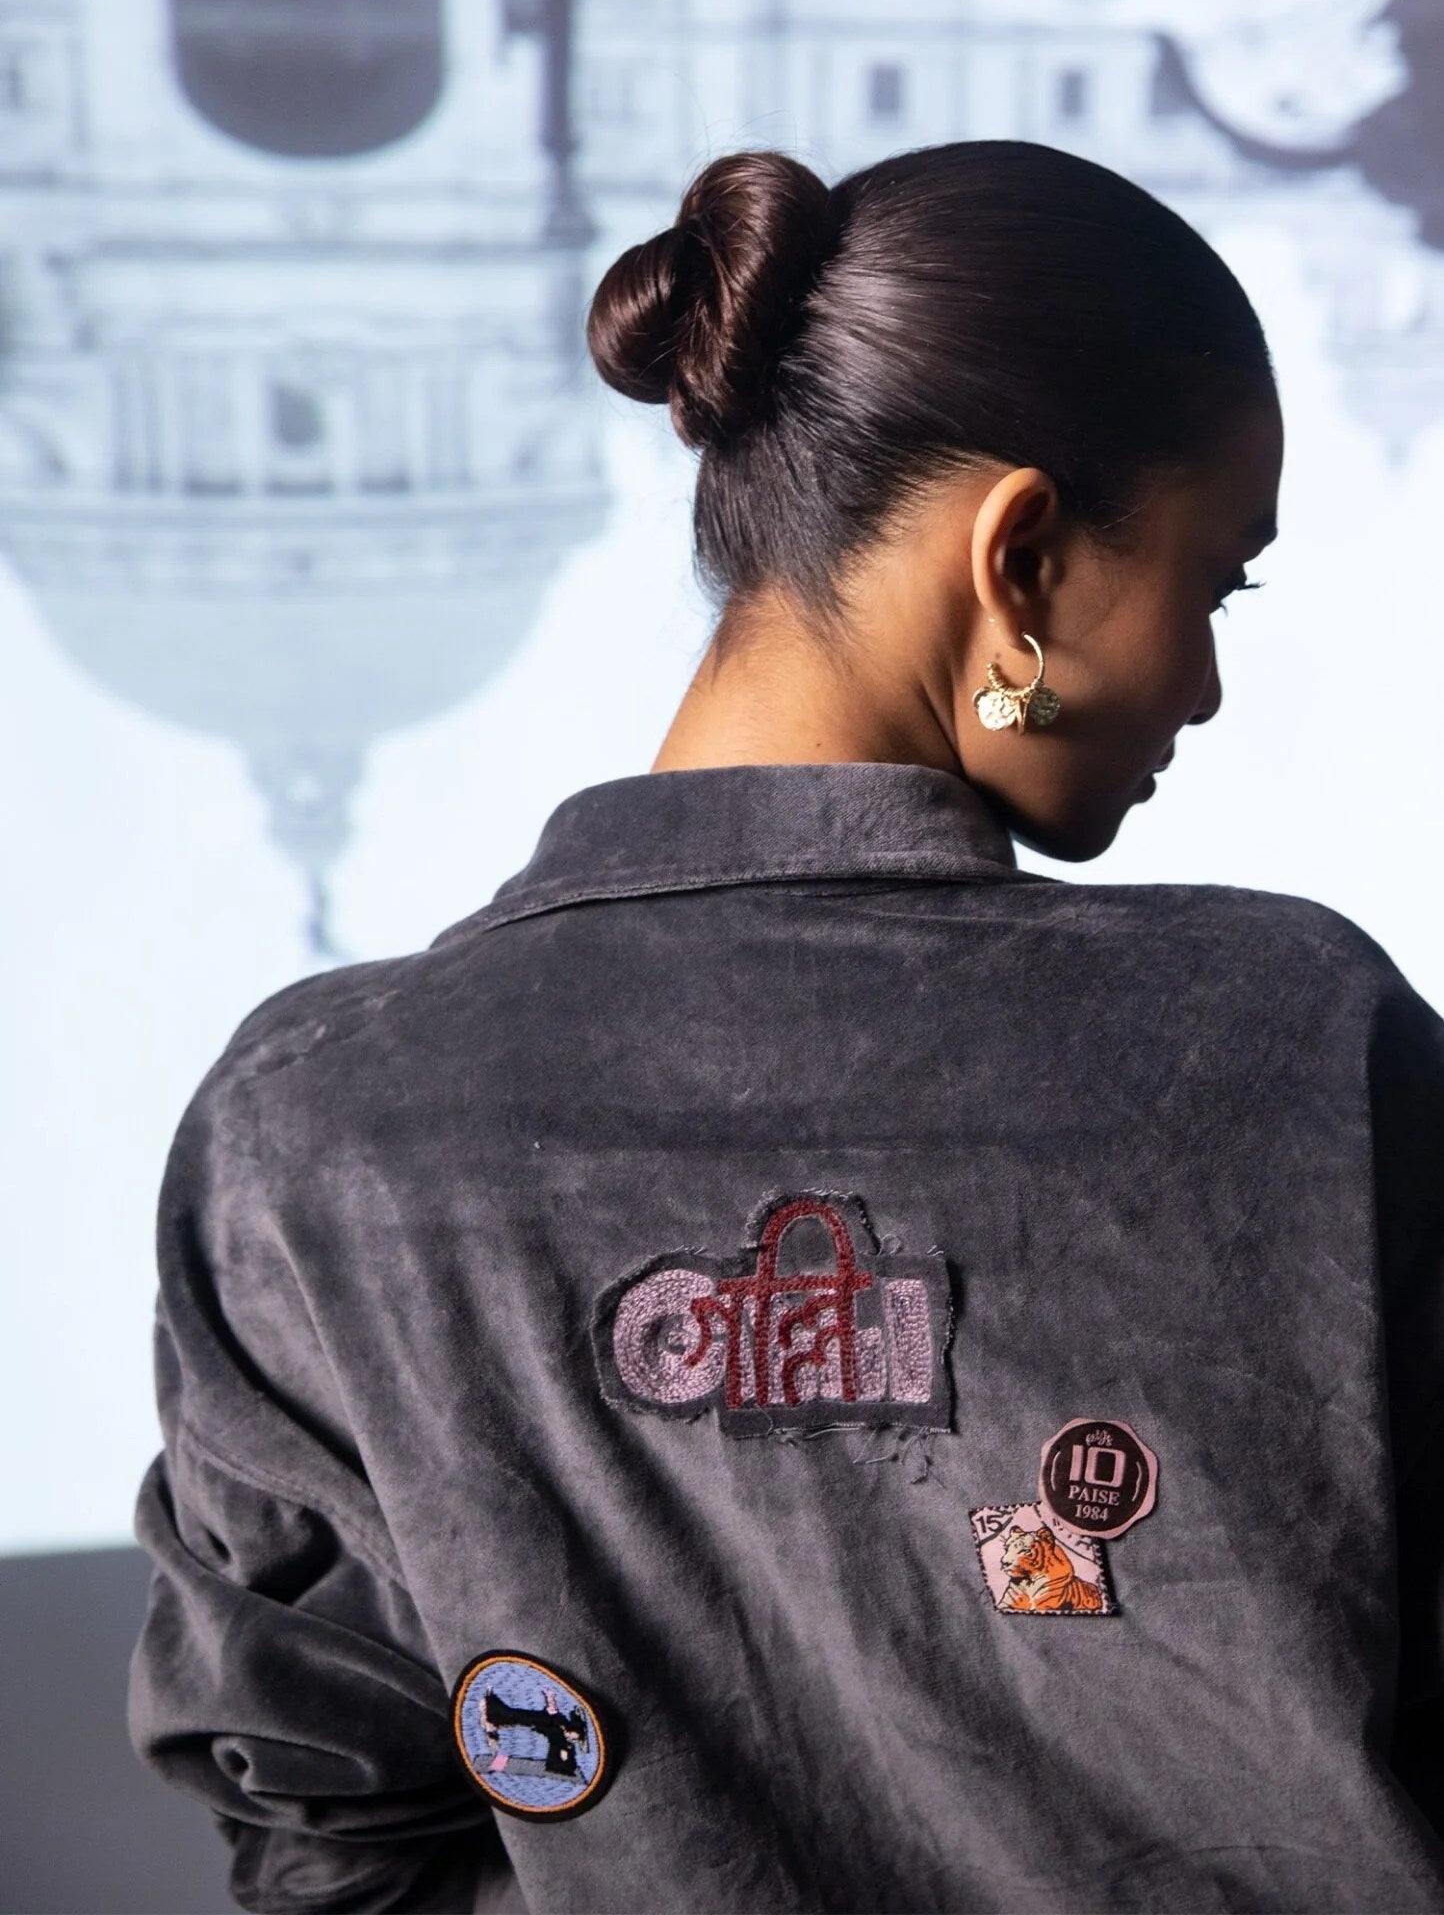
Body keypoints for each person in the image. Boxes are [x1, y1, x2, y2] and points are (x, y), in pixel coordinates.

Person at [130, 140, 1444, 1914]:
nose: (1205, 686)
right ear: (1022, 557)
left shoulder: (311, 1133)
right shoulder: (1301, 1049)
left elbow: (333, 1834)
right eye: (1215, 587)